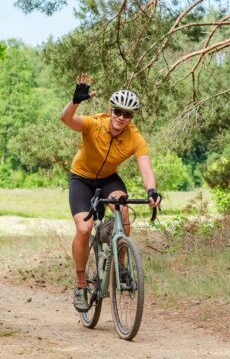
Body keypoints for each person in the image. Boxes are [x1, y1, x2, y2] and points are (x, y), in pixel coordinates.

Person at [59, 73, 161, 312]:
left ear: (131, 117)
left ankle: (122, 268)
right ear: (111, 110)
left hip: (108, 179)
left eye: (127, 114)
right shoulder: (95, 124)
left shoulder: (134, 137)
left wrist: (152, 191)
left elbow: (145, 166)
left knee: (123, 212)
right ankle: (81, 284)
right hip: (81, 179)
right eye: (117, 112)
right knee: (84, 229)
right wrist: (75, 101)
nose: (121, 118)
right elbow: (66, 119)